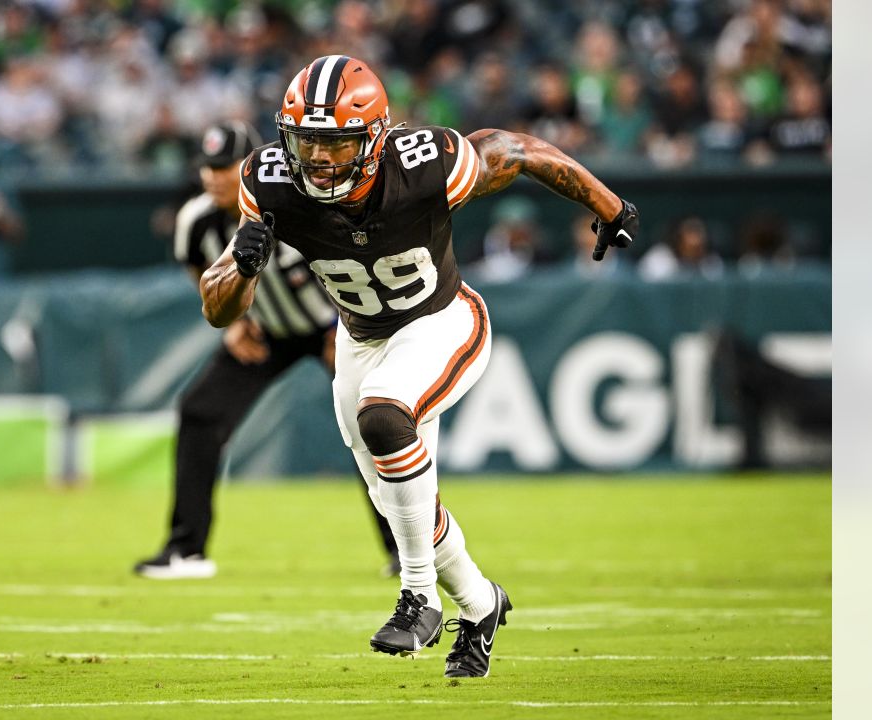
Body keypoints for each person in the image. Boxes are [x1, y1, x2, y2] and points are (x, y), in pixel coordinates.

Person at [199, 56, 638, 678]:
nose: (319, 159)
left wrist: (610, 205)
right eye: (307, 141)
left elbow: (521, 150)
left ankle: (418, 596)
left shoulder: (423, 163)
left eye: (336, 141)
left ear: (374, 136)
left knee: (384, 417)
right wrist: (242, 267)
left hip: (441, 320)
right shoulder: (268, 182)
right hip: (362, 339)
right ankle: (482, 606)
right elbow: (219, 311)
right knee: (400, 497)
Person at [135, 121, 400, 580]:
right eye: (209, 168)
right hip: (266, 331)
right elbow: (196, 268)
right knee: (200, 411)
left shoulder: (291, 204)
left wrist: (345, 329)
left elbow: (346, 265)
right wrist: (232, 324)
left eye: (226, 167)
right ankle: (186, 549)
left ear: (251, 167)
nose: (215, 178)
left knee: (374, 422)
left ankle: (406, 548)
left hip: (332, 326)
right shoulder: (195, 219)